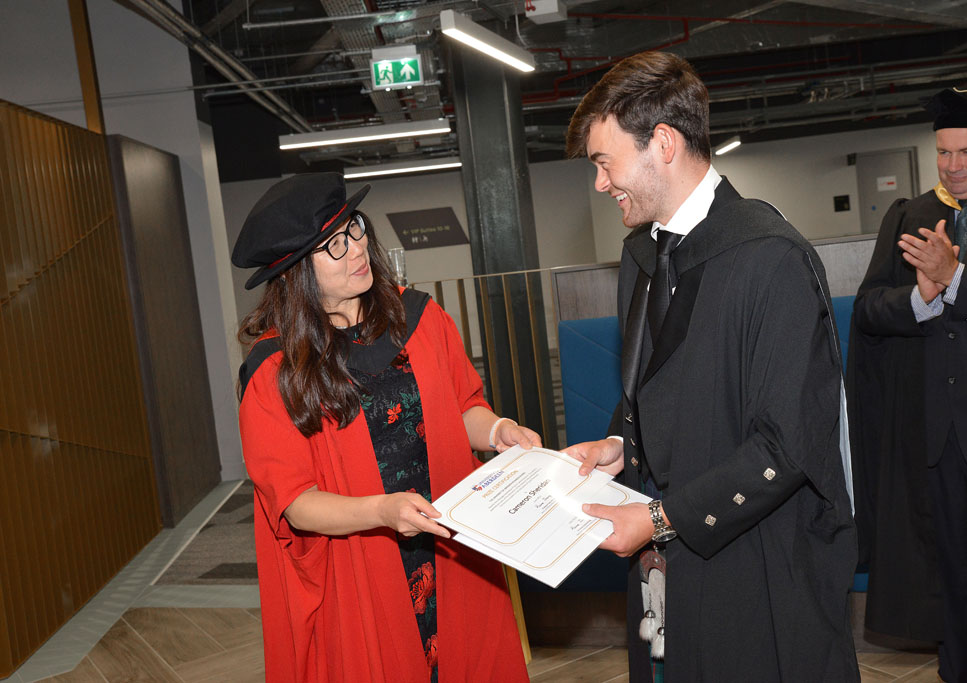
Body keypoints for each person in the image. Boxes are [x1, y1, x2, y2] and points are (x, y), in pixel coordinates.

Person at [562, 51, 859, 682]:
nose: (600, 184)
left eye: (605, 162)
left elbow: (788, 444)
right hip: (669, 564)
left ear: (663, 144)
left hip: (758, 561)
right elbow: (657, 381)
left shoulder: (770, 258)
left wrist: (657, 519)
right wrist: (621, 443)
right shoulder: (642, 255)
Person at [230, 173, 536, 682]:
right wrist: (383, 512)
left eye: (354, 228)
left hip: (451, 544)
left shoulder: (419, 317)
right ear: (295, 271)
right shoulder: (276, 371)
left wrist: (497, 430)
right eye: (333, 244)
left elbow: (463, 408)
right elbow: (296, 503)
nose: (356, 248)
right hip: (362, 561)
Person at [850, 86, 967, 682]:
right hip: (936, 440)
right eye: (943, 152)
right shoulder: (912, 216)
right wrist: (920, 299)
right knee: (955, 586)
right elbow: (869, 309)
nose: (953, 166)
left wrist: (957, 277)